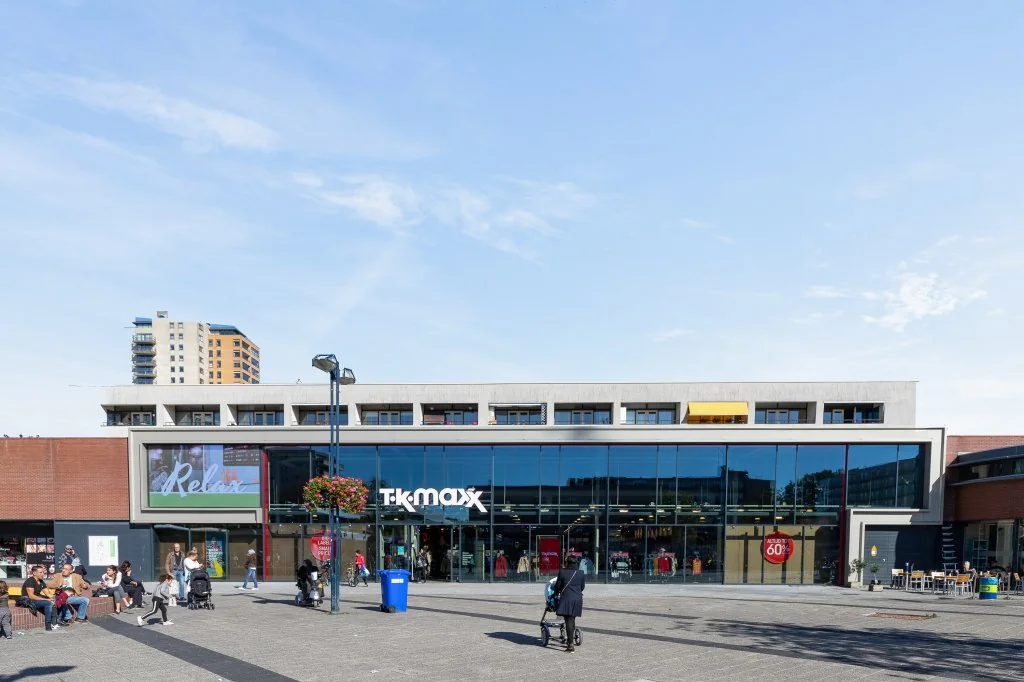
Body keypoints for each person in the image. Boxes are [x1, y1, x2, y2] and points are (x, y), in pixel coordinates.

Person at [553, 555, 585, 654]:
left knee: (569, 620)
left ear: (567, 562)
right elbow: (582, 587)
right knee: (572, 618)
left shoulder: (563, 572)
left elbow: (557, 586)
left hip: (567, 598)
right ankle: (570, 639)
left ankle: (570, 644)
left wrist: (555, 593)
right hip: (578, 599)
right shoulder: (581, 573)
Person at [22, 565, 60, 631]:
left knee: (54, 601)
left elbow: (48, 593)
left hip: (37, 599)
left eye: (43, 572)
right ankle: (48, 625)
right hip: (29, 600)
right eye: (40, 572)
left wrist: (53, 598)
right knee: (48, 603)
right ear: (34, 573)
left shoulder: (41, 581)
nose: (43, 574)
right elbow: (31, 596)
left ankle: (54, 623)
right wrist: (46, 599)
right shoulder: (30, 581)